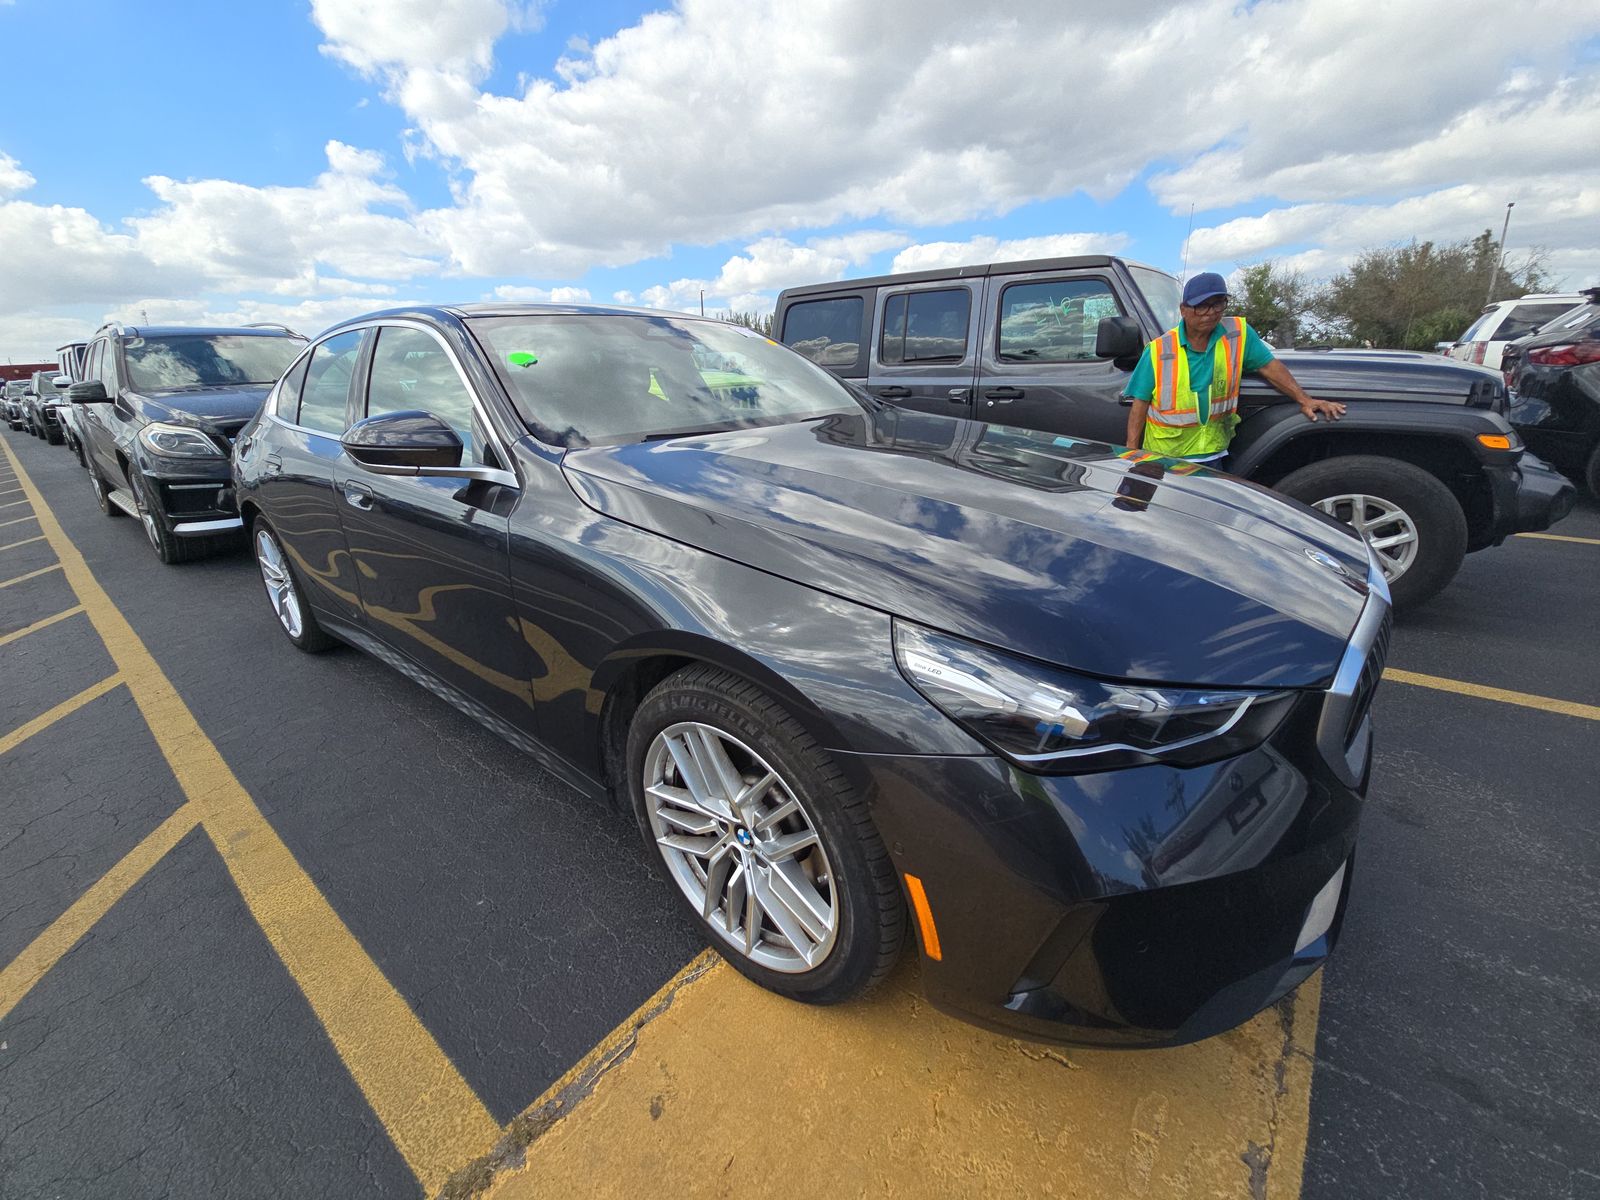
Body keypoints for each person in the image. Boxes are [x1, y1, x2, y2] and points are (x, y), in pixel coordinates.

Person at [1123, 272, 1345, 470]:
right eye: (1202, 306)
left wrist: (1304, 399)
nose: (1211, 313)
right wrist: (1131, 451)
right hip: (1166, 458)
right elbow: (1140, 403)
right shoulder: (1158, 350)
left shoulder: (1237, 334)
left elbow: (1269, 366)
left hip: (1214, 454)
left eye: (1218, 304)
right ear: (1184, 310)